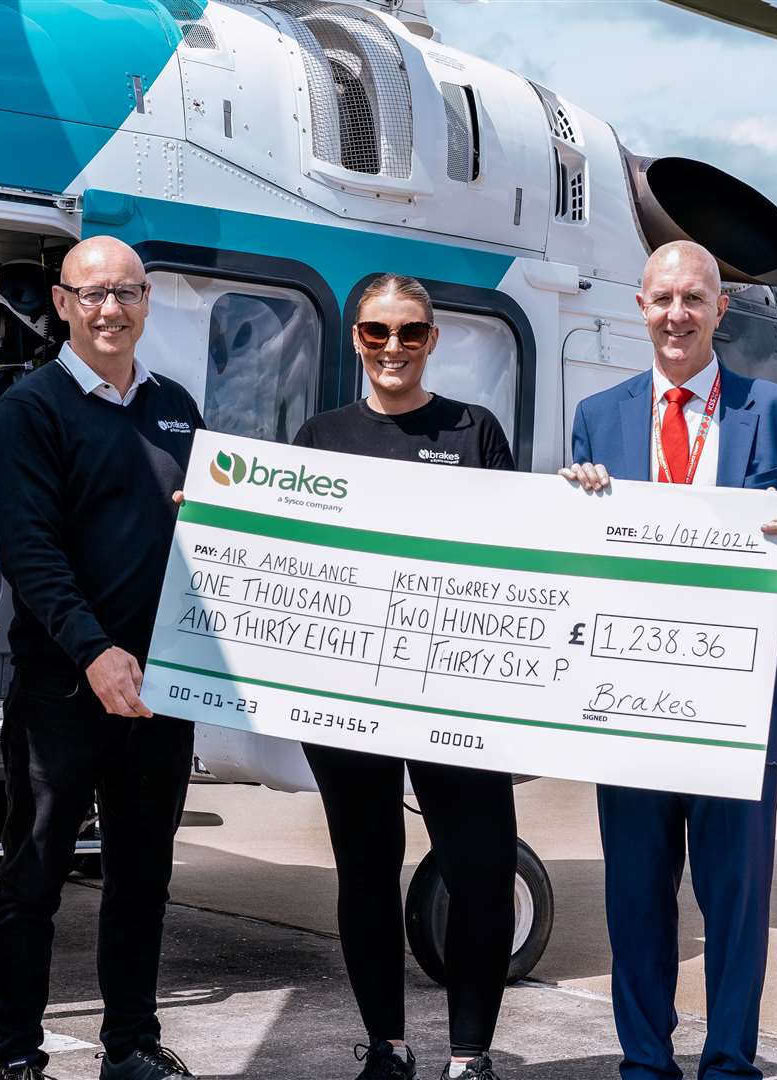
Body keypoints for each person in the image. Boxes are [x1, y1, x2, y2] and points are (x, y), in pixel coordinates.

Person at [560, 240, 777, 1080]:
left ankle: (729, 1063)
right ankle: (645, 1062)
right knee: (636, 903)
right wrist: (571, 507)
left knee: (735, 905)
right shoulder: (598, 419)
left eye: (694, 300)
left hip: (740, 709)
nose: (676, 315)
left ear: (722, 311)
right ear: (639, 308)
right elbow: (575, 551)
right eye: (662, 299)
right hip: (633, 702)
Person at [0, 237, 203, 1080]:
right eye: (93, 293)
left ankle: (131, 1048)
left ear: (146, 302)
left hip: (162, 693)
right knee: (32, 878)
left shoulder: (176, 408)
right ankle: (18, 1057)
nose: (111, 308)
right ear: (62, 303)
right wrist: (96, 651)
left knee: (143, 879)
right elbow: (31, 552)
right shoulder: (31, 408)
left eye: (127, 292)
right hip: (65, 690)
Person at [290, 274, 517, 1080]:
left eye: (410, 332)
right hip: (350, 699)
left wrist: (582, 501)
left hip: (457, 694)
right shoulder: (321, 437)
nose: (393, 348)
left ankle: (470, 1055)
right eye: (377, 332)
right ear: (355, 337)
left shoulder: (474, 431)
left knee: (483, 872)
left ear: (433, 339)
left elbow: (515, 557)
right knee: (366, 866)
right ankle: (386, 1046)